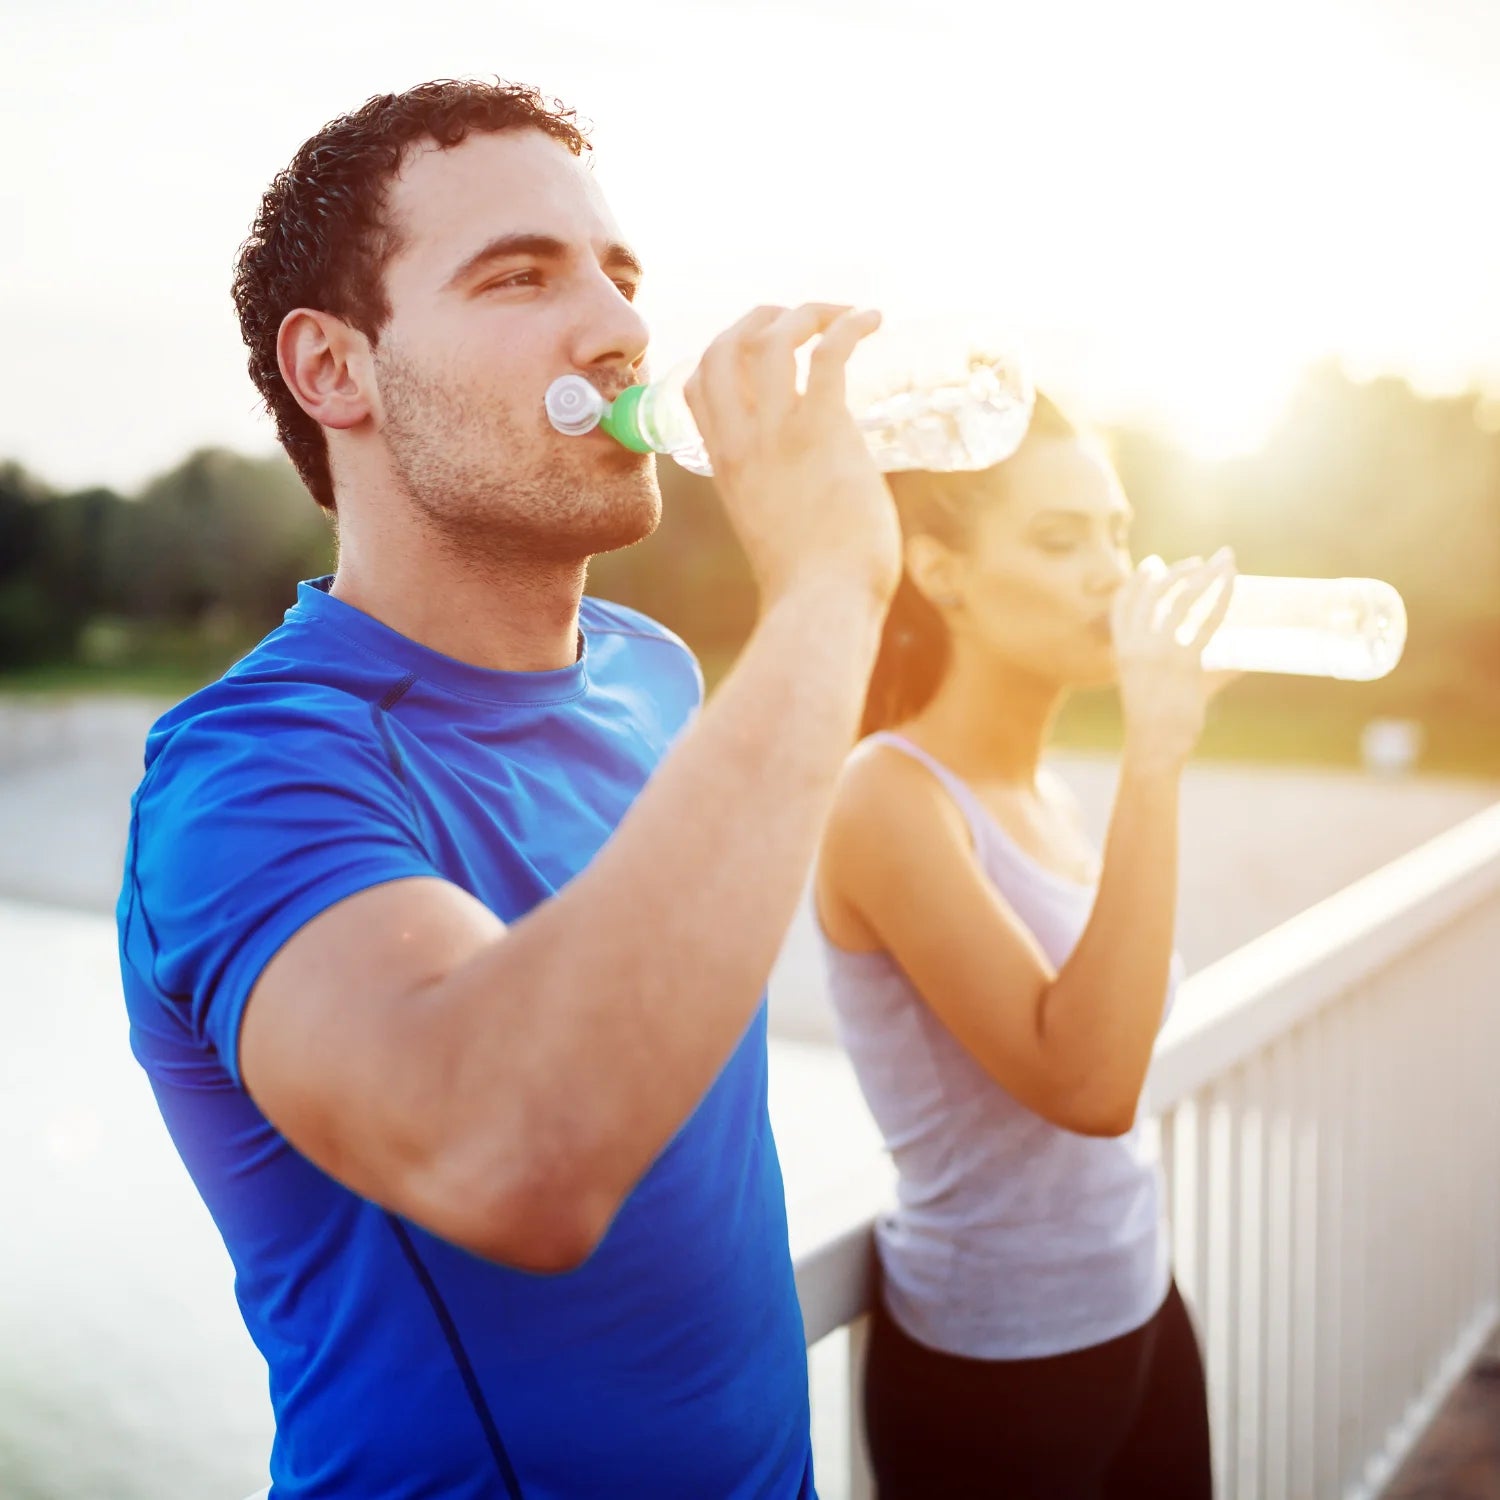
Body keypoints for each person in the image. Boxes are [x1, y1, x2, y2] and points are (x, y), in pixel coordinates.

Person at [117, 77, 903, 1499]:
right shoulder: (244, 778)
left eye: (618, 273)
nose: (619, 328)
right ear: (335, 372)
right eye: (519, 275)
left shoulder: (653, 671)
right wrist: (834, 587)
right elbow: (510, 1156)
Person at [813, 395, 1231, 1498]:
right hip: (997, 1370)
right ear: (941, 572)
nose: (1112, 573)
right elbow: (1090, 1081)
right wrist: (1158, 757)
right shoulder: (889, 797)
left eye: (1117, 533)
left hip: (1138, 1304)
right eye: (1061, 538)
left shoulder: (1042, 789)